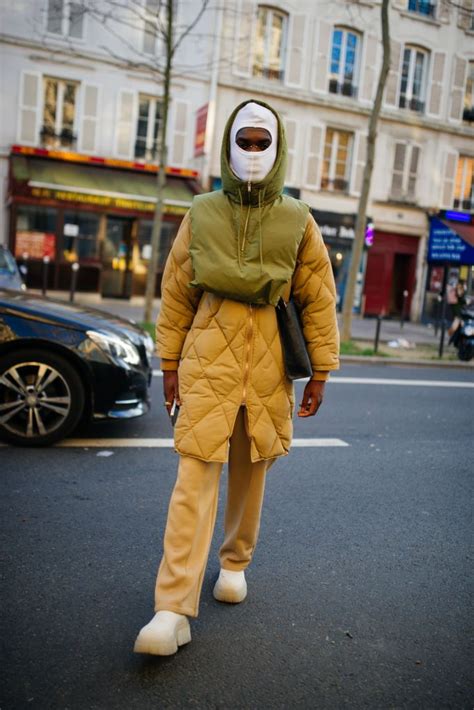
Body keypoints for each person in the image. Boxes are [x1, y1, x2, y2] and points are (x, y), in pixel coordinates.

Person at [134, 99, 340, 656]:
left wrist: (321, 371)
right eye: (243, 141)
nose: (252, 152)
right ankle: (171, 607)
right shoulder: (201, 212)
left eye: (260, 142)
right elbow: (177, 292)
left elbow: (316, 298)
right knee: (193, 479)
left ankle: (234, 563)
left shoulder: (298, 220)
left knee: (252, 472)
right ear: (228, 144)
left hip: (269, 362)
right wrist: (170, 364)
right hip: (209, 357)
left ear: (277, 149)